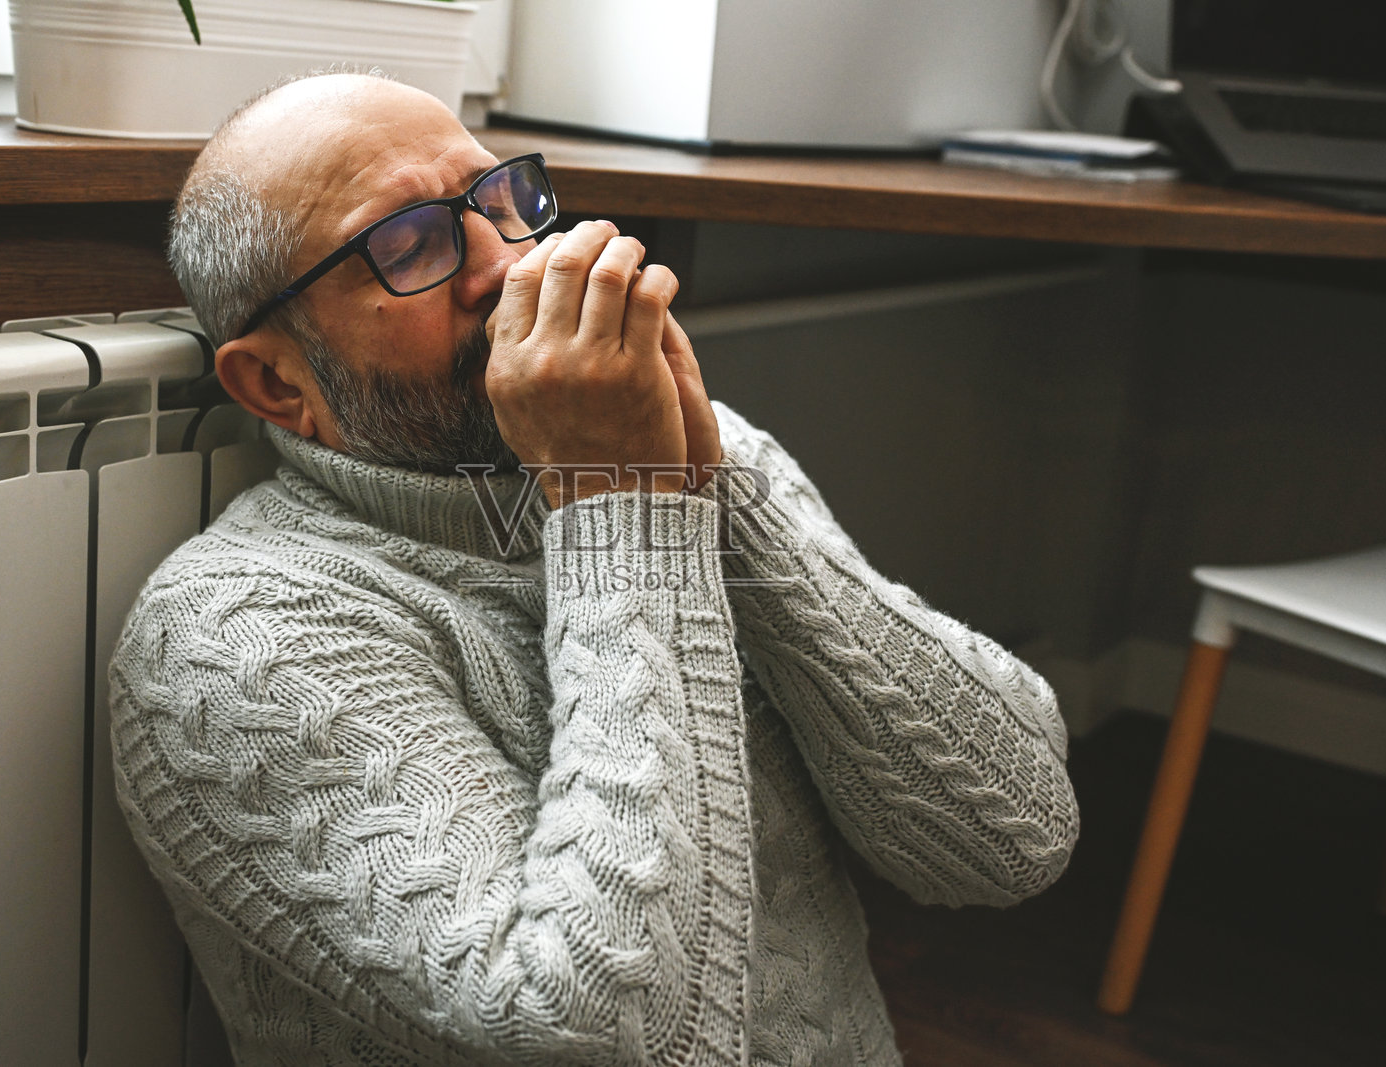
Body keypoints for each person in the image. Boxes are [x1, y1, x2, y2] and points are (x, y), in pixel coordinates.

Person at [109, 70, 1079, 1067]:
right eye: (406, 244)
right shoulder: (235, 636)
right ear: (276, 381)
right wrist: (629, 509)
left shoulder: (673, 461)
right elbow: (621, 1039)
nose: (506, 262)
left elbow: (1011, 834)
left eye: (501, 201)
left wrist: (712, 489)